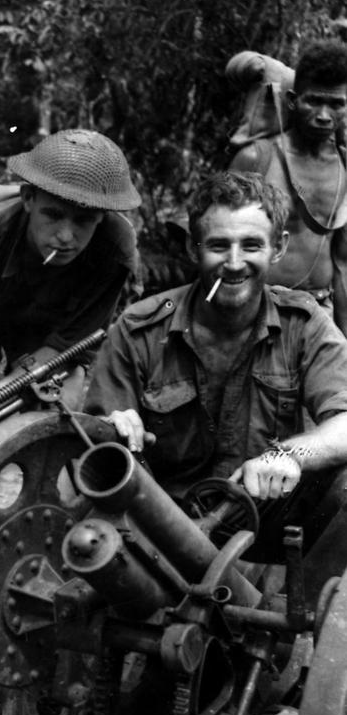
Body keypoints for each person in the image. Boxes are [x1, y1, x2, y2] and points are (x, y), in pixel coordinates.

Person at [85, 172, 347, 565]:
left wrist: (290, 454)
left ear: (278, 248)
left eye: (252, 245)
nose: (235, 263)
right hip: (162, 527)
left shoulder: (304, 325)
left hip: (268, 521)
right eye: (219, 245)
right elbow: (95, 441)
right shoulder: (140, 329)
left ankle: (300, 613)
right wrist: (116, 426)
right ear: (194, 249)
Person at [0, 129, 142, 410]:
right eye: (53, 215)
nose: (66, 236)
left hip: (47, 335)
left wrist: (2, 391)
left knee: (57, 409)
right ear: (28, 198)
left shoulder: (116, 252)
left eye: (83, 221)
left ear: (102, 216)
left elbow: (68, 344)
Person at [229, 40, 347, 335]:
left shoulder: (345, 168)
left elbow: (344, 264)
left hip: (319, 314)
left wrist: (343, 341)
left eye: (336, 104)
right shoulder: (257, 157)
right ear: (293, 101)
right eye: (314, 101)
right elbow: (215, 240)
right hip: (254, 310)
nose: (323, 115)